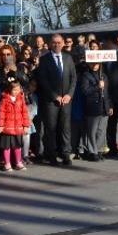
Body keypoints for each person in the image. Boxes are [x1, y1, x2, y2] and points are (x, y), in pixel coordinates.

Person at [33, 33, 76, 165]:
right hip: (51, 100)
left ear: (63, 43)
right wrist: (54, 96)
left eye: (59, 42)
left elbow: (73, 78)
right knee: (50, 128)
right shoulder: (44, 59)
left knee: (65, 127)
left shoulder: (68, 58)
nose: (57, 45)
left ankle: (66, 154)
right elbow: (43, 81)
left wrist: (69, 95)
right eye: (54, 43)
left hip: (66, 100)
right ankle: (51, 154)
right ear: (50, 44)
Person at [77, 59, 111, 161]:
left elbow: (108, 92)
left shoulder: (104, 76)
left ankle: (98, 150)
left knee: (101, 130)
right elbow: (85, 91)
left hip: (104, 106)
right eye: (92, 63)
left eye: (96, 63)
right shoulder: (86, 76)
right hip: (93, 106)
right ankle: (92, 151)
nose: (94, 65)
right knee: (92, 131)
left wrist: (110, 106)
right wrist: (97, 87)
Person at [0, 72, 30, 171]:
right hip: (7, 127)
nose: (16, 92)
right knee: (6, 146)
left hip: (18, 127)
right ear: (9, 89)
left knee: (17, 146)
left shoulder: (21, 98)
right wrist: (1, 125)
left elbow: (24, 112)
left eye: (18, 89)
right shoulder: (5, 99)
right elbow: (1, 113)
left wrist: (26, 125)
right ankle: (7, 163)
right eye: (14, 90)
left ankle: (18, 162)